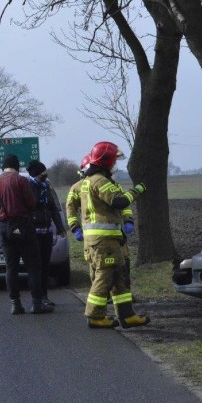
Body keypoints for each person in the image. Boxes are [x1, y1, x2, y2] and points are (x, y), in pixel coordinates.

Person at [69, 141, 149, 329]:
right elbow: (119, 201)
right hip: (103, 241)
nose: (115, 164)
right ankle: (95, 315)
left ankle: (127, 315)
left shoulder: (92, 181)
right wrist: (137, 191)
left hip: (109, 240)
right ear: (107, 161)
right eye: (114, 160)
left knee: (119, 276)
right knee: (104, 276)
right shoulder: (99, 181)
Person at [0, 153, 53, 315]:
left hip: (4, 227)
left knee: (11, 267)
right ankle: (37, 304)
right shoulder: (22, 181)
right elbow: (31, 203)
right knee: (33, 266)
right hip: (23, 225)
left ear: (3, 167)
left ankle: (15, 304)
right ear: (17, 167)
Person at [26, 160, 67, 307]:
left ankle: (44, 296)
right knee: (36, 267)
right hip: (33, 233)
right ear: (37, 173)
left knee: (45, 266)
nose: (45, 174)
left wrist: (60, 227)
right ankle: (36, 298)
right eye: (43, 172)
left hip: (47, 231)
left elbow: (53, 208)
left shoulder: (46, 186)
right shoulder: (29, 187)